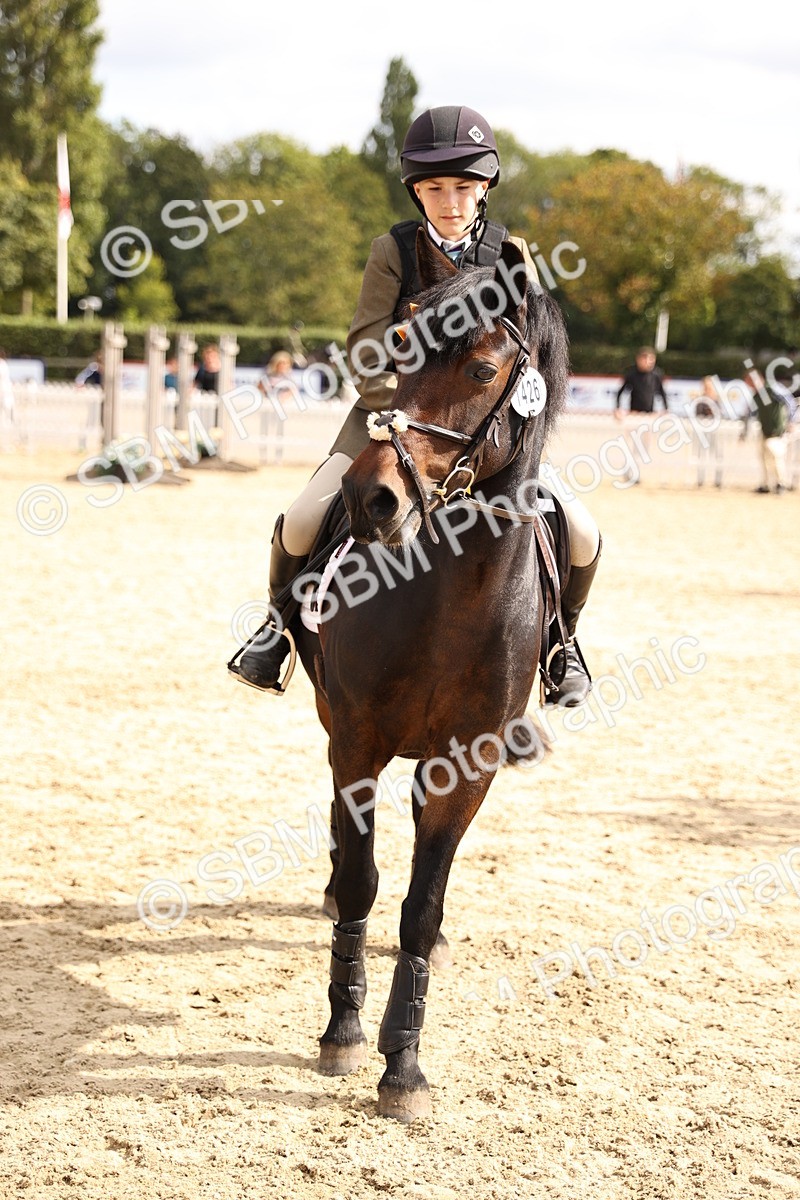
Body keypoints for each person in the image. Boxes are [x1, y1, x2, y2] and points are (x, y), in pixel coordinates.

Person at [231, 106, 601, 706]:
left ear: (485, 188)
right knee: (302, 520)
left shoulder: (511, 255)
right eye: (434, 189)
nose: (449, 202)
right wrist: (402, 415)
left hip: (487, 433)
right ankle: (275, 630)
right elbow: (365, 347)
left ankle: (563, 645)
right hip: (389, 423)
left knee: (582, 532)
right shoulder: (393, 251)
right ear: (415, 191)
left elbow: (533, 349)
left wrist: (518, 407)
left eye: (462, 187)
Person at [614, 347, 668, 483]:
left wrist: (666, 409)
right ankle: (628, 472)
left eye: (651, 359)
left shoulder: (656, 375)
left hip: (649, 416)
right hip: (634, 415)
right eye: (645, 359)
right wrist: (618, 408)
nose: (648, 362)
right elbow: (620, 392)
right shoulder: (632, 374)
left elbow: (662, 393)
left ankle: (635, 473)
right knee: (630, 445)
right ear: (639, 360)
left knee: (642, 447)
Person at [744, 368, 791, 494]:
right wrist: (744, 431)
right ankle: (765, 484)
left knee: (776, 456)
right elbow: (749, 413)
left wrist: (790, 421)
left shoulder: (772, 389)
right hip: (765, 430)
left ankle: (781, 483)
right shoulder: (757, 396)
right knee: (763, 457)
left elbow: (789, 402)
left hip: (777, 429)